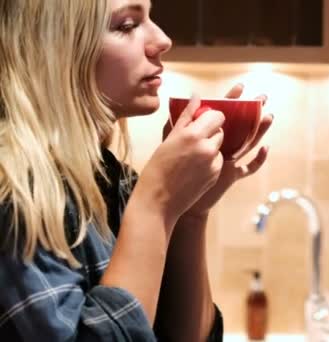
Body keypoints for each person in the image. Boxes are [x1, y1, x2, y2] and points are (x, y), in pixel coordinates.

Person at [0, 0, 273, 341]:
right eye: (127, 26)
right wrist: (154, 203)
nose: (162, 40)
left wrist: (190, 214)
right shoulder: (16, 194)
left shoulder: (118, 181)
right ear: (56, 47)